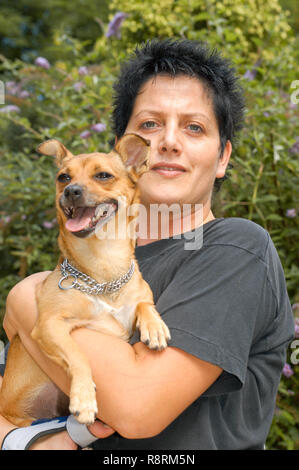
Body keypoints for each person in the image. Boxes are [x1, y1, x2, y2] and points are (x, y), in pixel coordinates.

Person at [0, 39, 295, 450]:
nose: (166, 143)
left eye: (194, 127)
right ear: (126, 152)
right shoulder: (90, 265)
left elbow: (139, 407)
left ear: (223, 156)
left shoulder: (237, 250)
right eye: (150, 126)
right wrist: (27, 442)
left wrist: (25, 297)